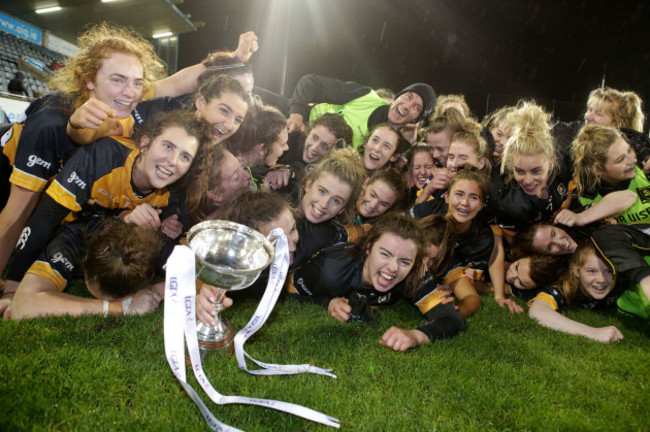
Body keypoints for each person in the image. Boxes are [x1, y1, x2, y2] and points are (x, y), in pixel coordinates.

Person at [1, 110, 210, 305]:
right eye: (167, 146)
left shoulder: (178, 191)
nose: (173, 161)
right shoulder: (103, 156)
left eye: (185, 157)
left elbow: (192, 265)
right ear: (145, 144)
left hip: (89, 222)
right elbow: (46, 217)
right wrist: (12, 287)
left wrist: (168, 225)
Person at [289, 213, 448, 352]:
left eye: (405, 262)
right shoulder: (330, 271)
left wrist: (416, 336)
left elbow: (450, 319)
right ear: (368, 248)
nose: (393, 267)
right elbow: (284, 293)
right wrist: (326, 302)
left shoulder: (413, 274)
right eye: (385, 254)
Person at [7, 218, 164, 320]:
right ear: (86, 259)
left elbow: (187, 276)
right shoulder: (69, 242)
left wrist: (153, 291)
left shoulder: (151, 246)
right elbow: (22, 306)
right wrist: (120, 307)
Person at [196, 190, 299, 326]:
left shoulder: (309, 241)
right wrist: (204, 294)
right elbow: (205, 281)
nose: (291, 247)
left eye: (292, 230)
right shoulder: (238, 271)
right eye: (276, 242)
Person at [486, 101, 572, 241]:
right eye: (520, 171)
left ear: (552, 163)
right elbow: (517, 245)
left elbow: (568, 194)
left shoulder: (563, 164)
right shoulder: (509, 205)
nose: (527, 180)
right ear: (511, 165)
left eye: (536, 171)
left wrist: (559, 217)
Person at [287, 74, 436, 149]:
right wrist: (297, 114)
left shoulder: (390, 147)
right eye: (408, 96)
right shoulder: (366, 95)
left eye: (417, 107)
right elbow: (311, 82)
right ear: (397, 97)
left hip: (313, 158)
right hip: (298, 125)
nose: (407, 106)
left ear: (415, 121)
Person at [527, 243, 626, 343]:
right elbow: (537, 311)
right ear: (577, 271)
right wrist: (593, 333)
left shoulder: (623, 283)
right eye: (592, 271)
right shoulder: (566, 287)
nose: (601, 280)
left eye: (609, 271)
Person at [293, 147, 366, 268]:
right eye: (322, 191)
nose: (323, 204)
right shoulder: (281, 190)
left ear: (342, 209)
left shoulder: (324, 238)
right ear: (309, 184)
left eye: (336, 201)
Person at [569, 124, 649, 226]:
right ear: (597, 169)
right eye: (620, 160)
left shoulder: (645, 167)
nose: (633, 160)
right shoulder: (584, 200)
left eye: (629, 150)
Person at [230, 104, 288, 189]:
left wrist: (288, 171)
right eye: (282, 144)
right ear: (262, 149)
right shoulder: (240, 183)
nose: (287, 148)